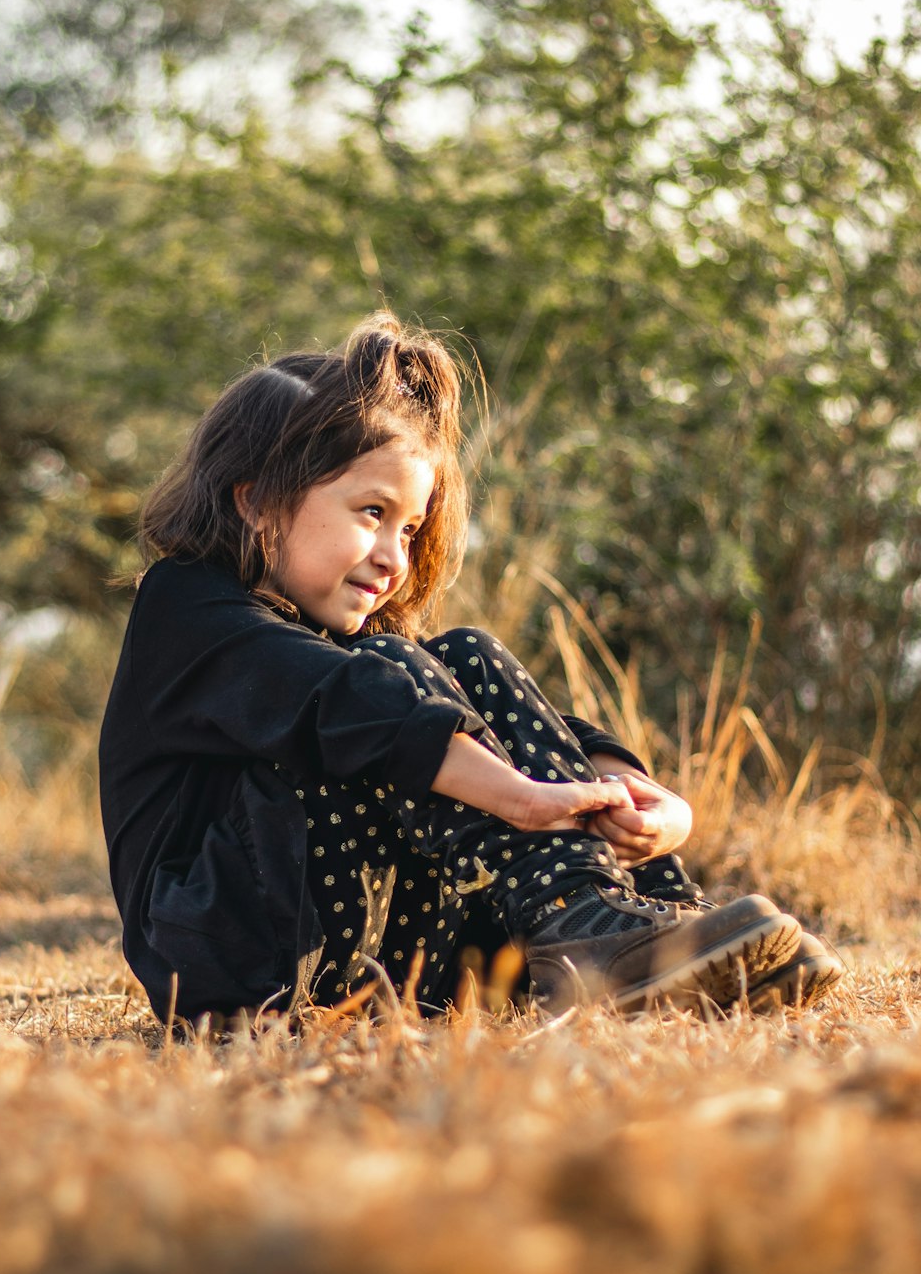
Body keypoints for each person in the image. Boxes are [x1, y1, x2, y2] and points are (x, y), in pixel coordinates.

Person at [99, 313, 842, 1026]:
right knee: (394, 683)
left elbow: (516, 723)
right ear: (259, 501)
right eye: (371, 513)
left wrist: (642, 802)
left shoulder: (356, 639)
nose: (397, 555)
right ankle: (584, 923)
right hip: (230, 956)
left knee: (463, 658)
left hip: (389, 960)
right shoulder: (189, 607)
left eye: (412, 527)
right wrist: (519, 800)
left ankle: (650, 927)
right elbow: (349, 704)